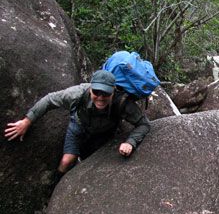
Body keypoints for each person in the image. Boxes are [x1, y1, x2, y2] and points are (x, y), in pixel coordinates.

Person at [4, 70, 150, 173]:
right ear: (91, 88)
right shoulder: (78, 94)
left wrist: (130, 142)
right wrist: (27, 121)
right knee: (67, 161)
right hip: (78, 126)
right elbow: (49, 100)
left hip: (104, 135)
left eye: (105, 93)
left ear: (113, 91)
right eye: (96, 92)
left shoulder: (122, 103)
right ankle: (57, 186)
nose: (100, 97)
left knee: (94, 167)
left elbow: (144, 124)